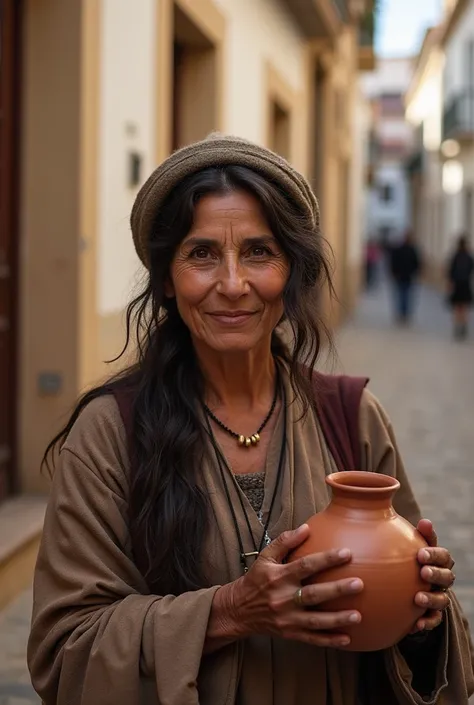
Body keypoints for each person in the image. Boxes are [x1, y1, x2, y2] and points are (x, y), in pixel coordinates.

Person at [27, 134, 474, 705]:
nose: (233, 285)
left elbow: (415, 639)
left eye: (260, 253)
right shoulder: (110, 434)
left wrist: (423, 611)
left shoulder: (351, 418)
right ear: (167, 279)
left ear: (290, 274)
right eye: (202, 254)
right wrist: (231, 610)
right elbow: (66, 649)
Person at [389, 231, 422, 324]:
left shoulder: (402, 249)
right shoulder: (411, 250)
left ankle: (402, 313)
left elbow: (394, 262)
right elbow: (417, 263)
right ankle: (404, 313)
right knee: (406, 295)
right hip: (407, 276)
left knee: (402, 295)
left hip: (402, 276)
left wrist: (394, 272)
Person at [446, 233, 474, 340]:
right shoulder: (469, 256)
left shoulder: (455, 256)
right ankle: (463, 325)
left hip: (457, 284)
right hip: (466, 284)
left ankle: (457, 326)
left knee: (457, 307)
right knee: (464, 307)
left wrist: (450, 284)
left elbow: (450, 271)